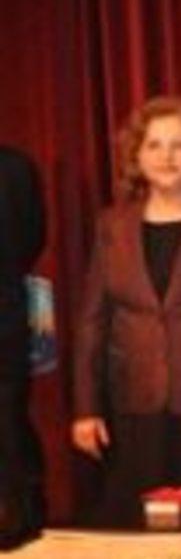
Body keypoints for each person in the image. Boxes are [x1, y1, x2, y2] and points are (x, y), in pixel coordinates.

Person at [71, 97, 181, 524]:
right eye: (154, 145)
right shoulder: (112, 225)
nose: (167, 157)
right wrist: (86, 409)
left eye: (180, 145)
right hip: (132, 406)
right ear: (137, 156)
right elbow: (93, 321)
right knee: (138, 523)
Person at [0, 145, 45, 549]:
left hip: (4, 323)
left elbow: (31, 240)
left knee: (8, 425)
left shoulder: (15, 168)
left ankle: (19, 525)